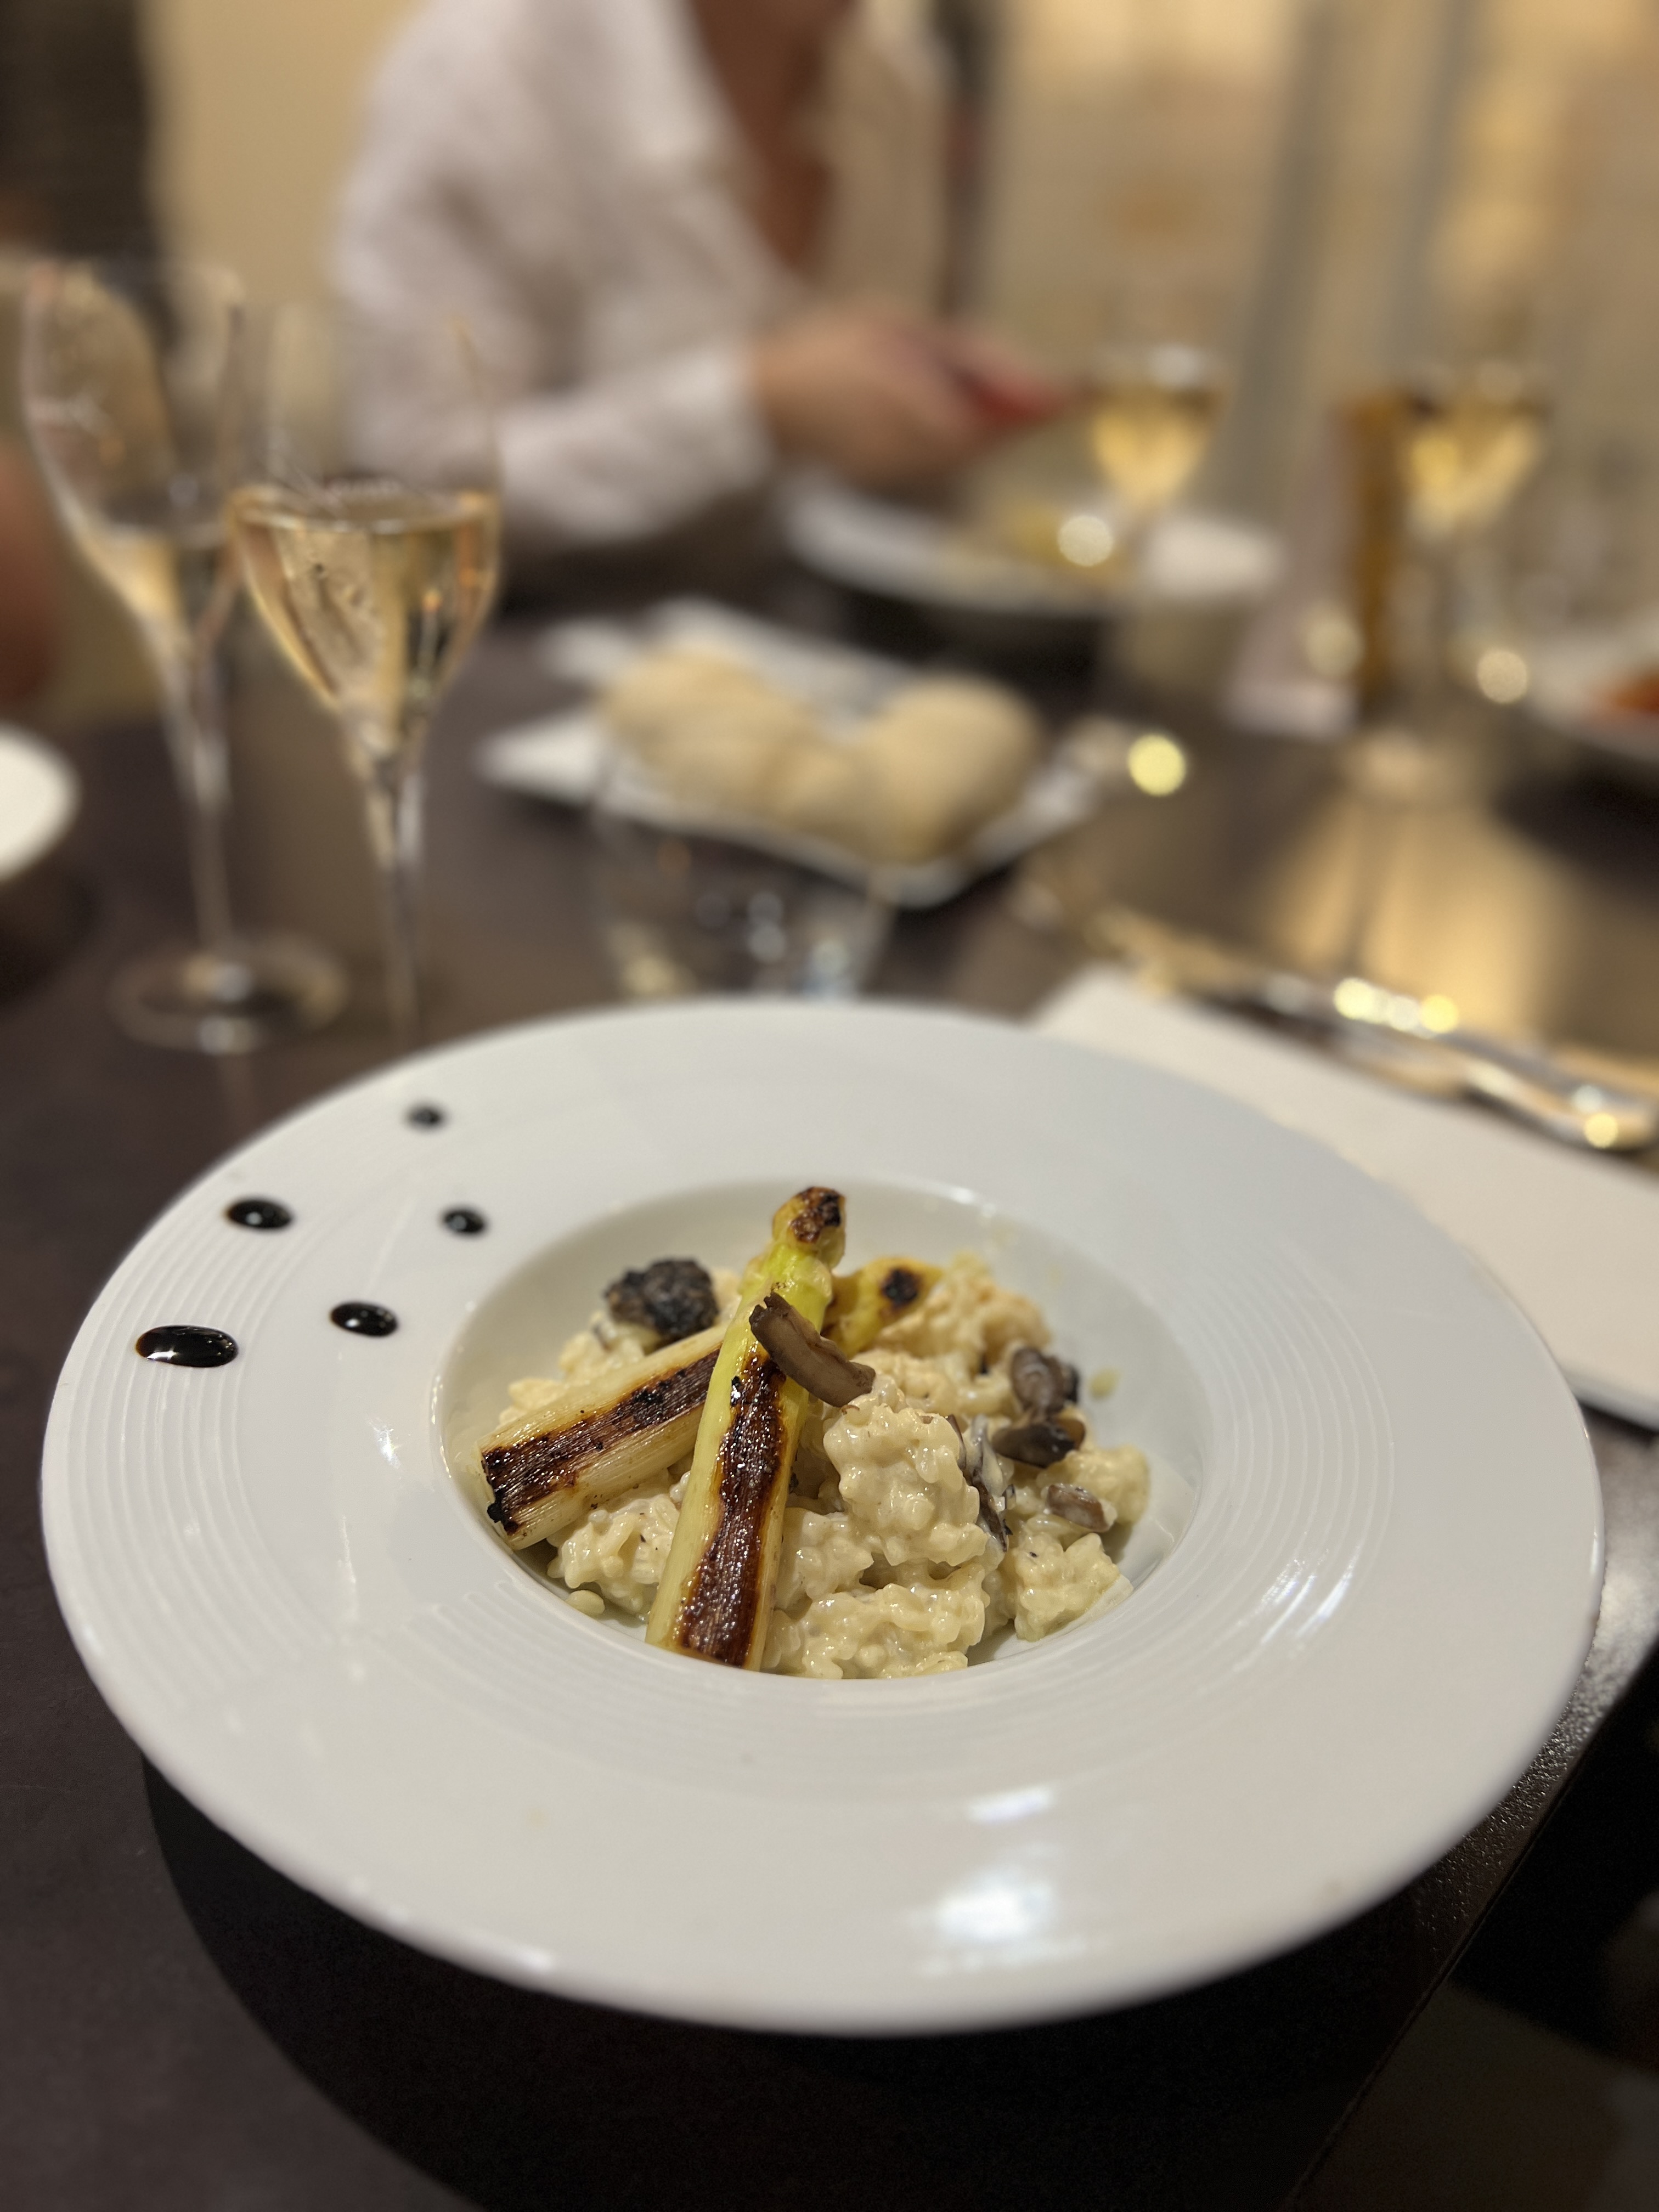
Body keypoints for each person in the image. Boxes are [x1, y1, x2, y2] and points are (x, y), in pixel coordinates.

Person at [335, 0, 1059, 561]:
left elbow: (858, 494)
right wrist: (758, 405)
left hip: (800, 646)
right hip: (513, 653)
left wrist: (934, 389)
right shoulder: (487, 69)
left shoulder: (898, 85)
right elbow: (417, 486)